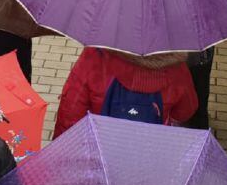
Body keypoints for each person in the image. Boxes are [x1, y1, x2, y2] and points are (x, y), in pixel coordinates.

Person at [54, 48, 198, 138]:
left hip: (100, 150)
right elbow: (185, 112)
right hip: (150, 152)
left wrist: (61, 150)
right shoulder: (177, 69)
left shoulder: (95, 56)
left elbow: (71, 111)